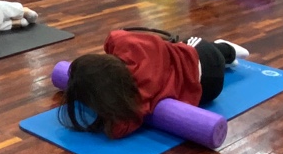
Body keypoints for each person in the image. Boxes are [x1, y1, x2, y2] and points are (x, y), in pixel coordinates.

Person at [60, 29, 249, 139]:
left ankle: (227, 53)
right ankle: (227, 50)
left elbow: (118, 130)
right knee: (187, 44)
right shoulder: (129, 47)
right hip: (202, 55)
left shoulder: (136, 100)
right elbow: (115, 36)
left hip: (208, 92)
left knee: (186, 51)